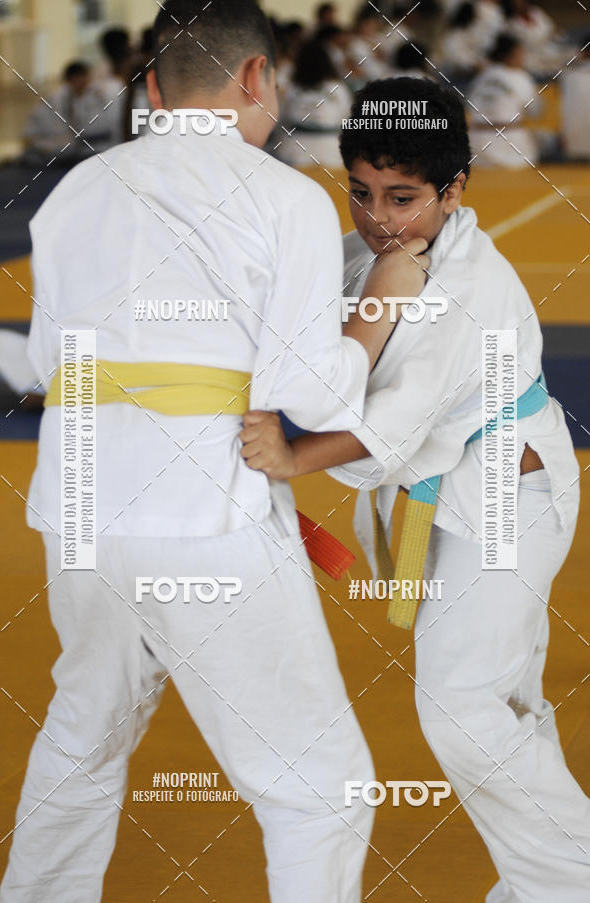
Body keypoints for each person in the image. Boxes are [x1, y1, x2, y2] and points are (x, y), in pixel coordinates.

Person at [0, 3, 430, 901]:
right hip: (206, 515)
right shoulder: (281, 197)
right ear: (258, 80)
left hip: (80, 509)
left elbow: (44, 364)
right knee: (321, 790)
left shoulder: (78, 188)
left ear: (151, 89)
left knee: (81, 740)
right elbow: (308, 392)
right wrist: (385, 292)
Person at [240, 76, 590, 903]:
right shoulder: (373, 258)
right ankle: (544, 879)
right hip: (454, 498)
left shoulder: (469, 285)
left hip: (508, 498)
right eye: (361, 193)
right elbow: (311, 364)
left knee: (459, 704)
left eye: (403, 197)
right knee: (499, 700)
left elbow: (389, 424)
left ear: (454, 190)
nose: (378, 217)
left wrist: (290, 459)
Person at [276, 38, 353, 168]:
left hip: (294, 150)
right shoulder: (338, 88)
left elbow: (280, 119)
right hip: (331, 152)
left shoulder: (291, 88)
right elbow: (347, 119)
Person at [468, 33, 539, 168]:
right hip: (509, 149)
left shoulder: (480, 77)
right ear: (512, 55)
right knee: (546, 140)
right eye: (521, 53)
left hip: (476, 148)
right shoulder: (520, 77)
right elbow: (535, 112)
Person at [22, 61, 113, 164]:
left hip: (62, 143)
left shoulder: (81, 95)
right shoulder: (57, 97)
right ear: (74, 78)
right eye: (84, 78)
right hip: (47, 143)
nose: (87, 82)